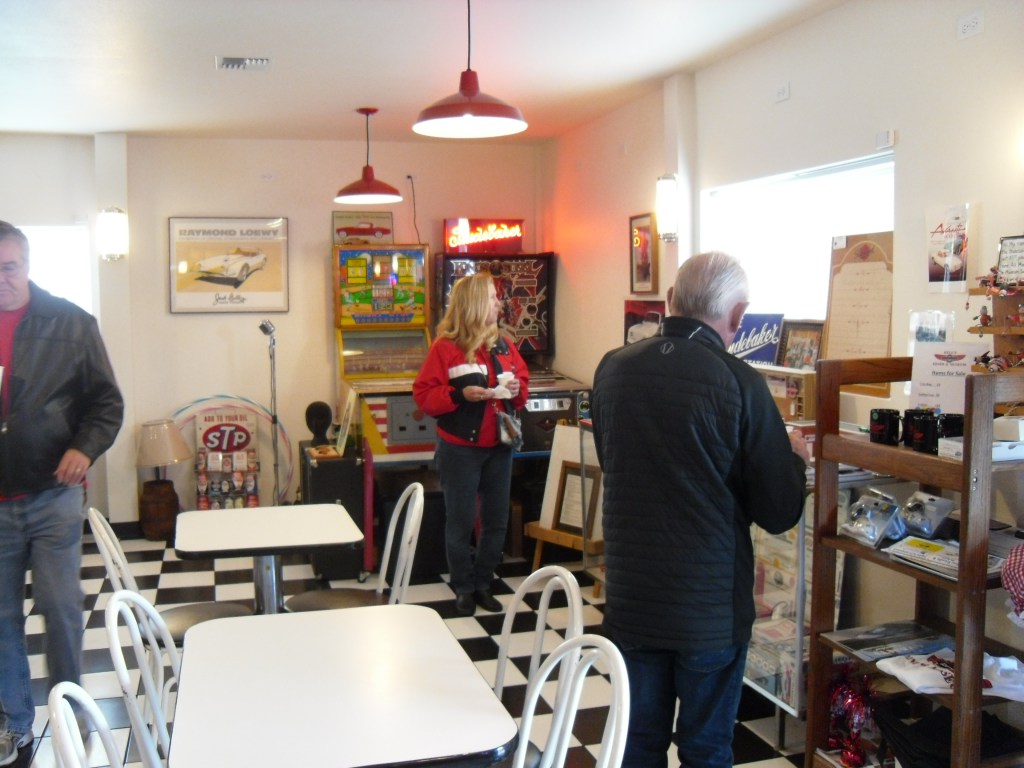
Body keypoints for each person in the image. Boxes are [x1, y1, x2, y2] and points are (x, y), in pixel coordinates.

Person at [590, 251, 809, 768]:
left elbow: (612, 459)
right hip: (708, 608)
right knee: (706, 748)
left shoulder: (612, 368)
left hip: (632, 595)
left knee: (636, 742)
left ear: (671, 301)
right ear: (738, 315)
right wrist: (796, 460)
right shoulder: (740, 382)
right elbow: (778, 511)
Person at [0, 221, 124, 766]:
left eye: (9, 268)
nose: (1, 279)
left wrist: (84, 448)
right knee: (0, 618)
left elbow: (106, 403)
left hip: (52, 494)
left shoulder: (71, 324)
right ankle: (15, 724)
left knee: (60, 608)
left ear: (27, 266)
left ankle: (71, 710)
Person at [413, 272, 529, 617]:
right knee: (461, 520)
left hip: (499, 447)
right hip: (459, 448)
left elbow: (522, 386)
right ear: (476, 304)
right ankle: (463, 587)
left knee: (496, 520)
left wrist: (516, 390)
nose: (498, 304)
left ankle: (483, 583)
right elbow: (424, 396)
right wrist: (458, 394)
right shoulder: (445, 348)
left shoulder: (504, 345)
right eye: (492, 298)